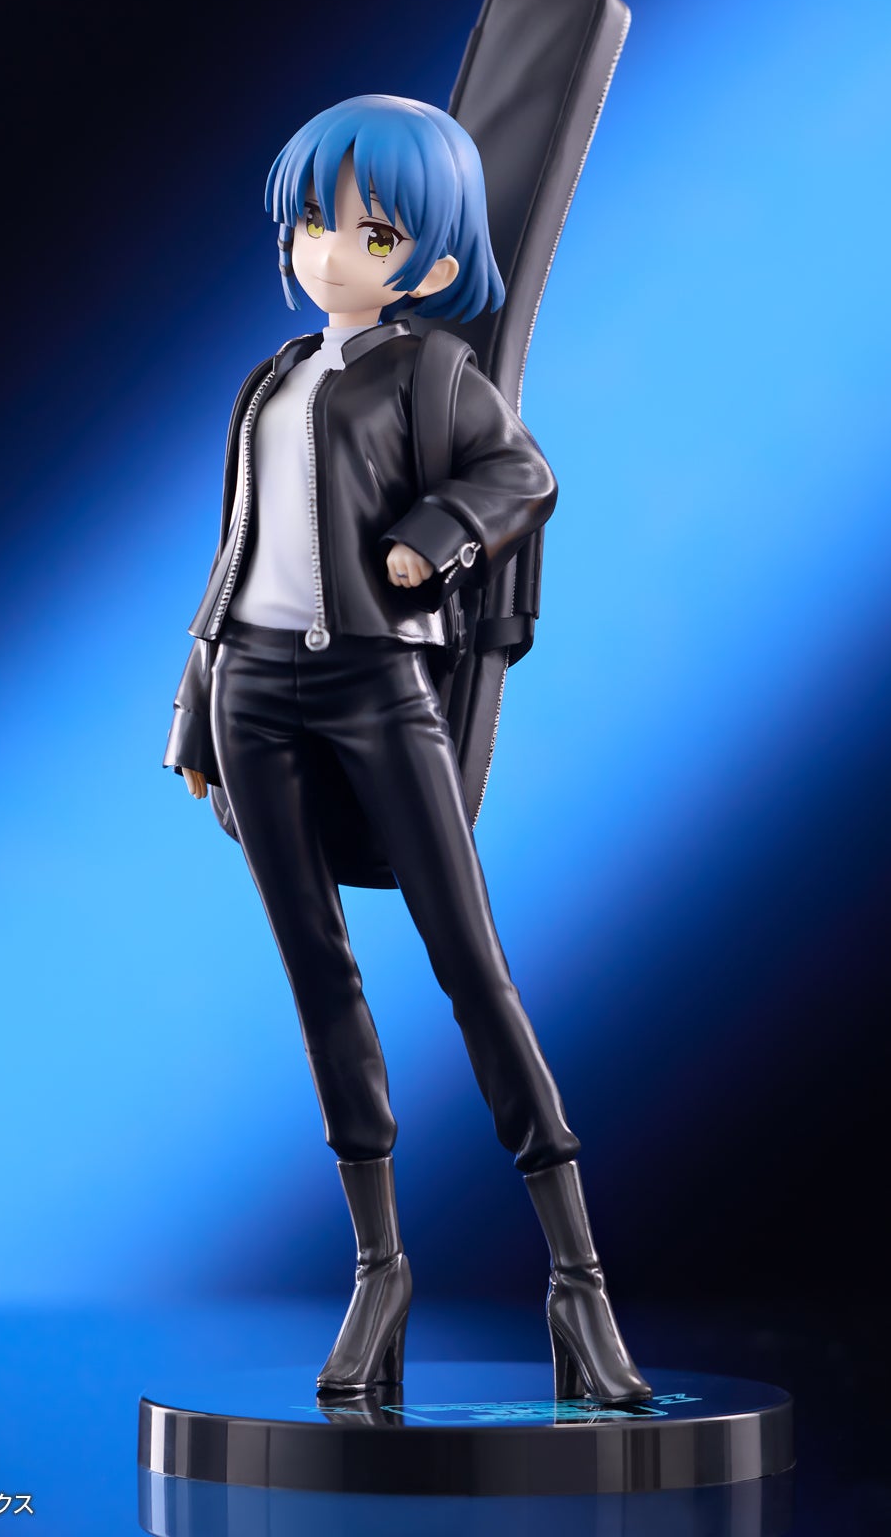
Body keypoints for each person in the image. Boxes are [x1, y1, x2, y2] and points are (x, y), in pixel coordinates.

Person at [163, 94, 649, 1404]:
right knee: (317, 972)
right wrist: (194, 708)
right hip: (253, 690)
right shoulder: (271, 379)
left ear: (430, 263)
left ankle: (578, 1281)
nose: (330, 251)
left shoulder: (432, 373)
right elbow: (236, 552)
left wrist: (427, 543)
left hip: (378, 682)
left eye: (369, 233)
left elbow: (522, 475)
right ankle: (378, 1270)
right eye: (313, 224)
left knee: (468, 964)